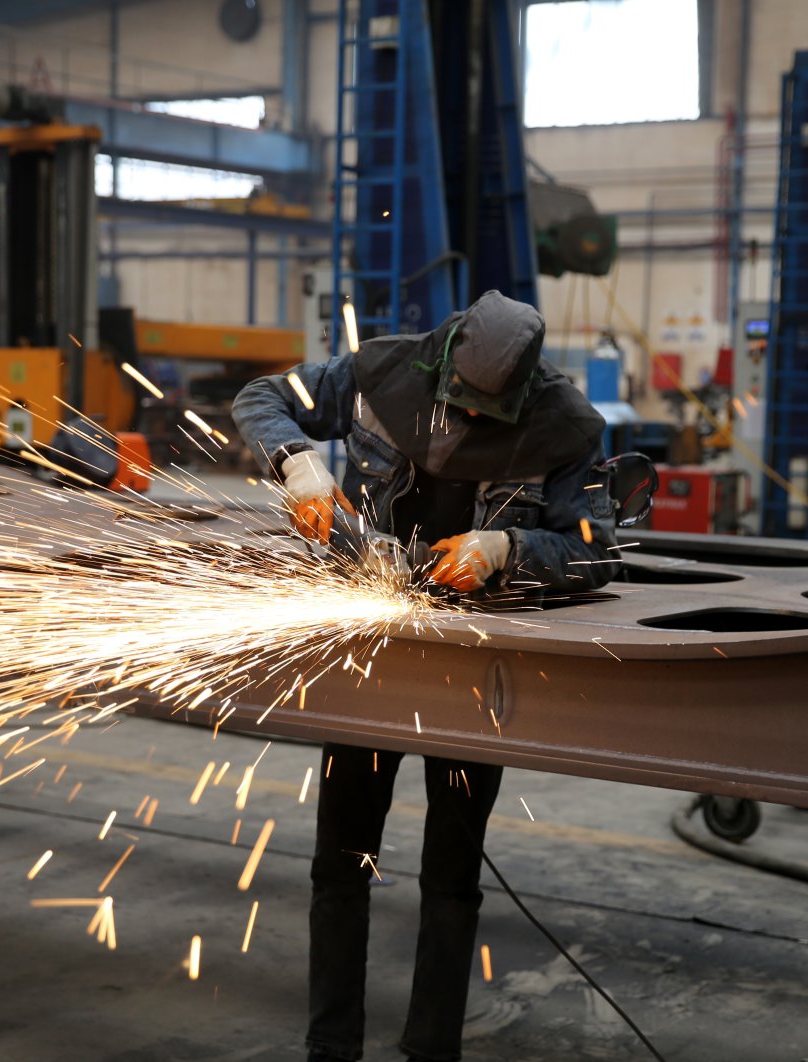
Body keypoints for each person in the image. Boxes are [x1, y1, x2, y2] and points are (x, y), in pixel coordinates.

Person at [231, 291, 619, 1062]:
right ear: (442, 365)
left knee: (451, 873)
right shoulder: (381, 370)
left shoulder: (567, 426)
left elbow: (596, 548)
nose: (468, 426)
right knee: (341, 862)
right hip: (372, 646)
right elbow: (262, 396)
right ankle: (330, 1046)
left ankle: (431, 1049)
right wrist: (298, 463)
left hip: (473, 664)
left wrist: (509, 550)